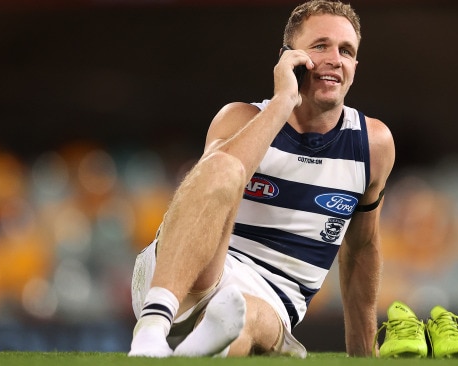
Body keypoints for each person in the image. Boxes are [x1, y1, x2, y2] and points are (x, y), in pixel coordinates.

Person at [128, 0, 395, 358]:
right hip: (185, 276)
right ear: (289, 57)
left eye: (346, 51)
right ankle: (151, 331)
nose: (335, 58)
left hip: (266, 304)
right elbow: (210, 181)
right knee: (222, 165)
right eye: (320, 46)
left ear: (355, 66)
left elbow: (362, 247)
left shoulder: (372, 144)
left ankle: (195, 351)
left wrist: (363, 354)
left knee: (246, 313)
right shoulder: (239, 118)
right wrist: (284, 101)